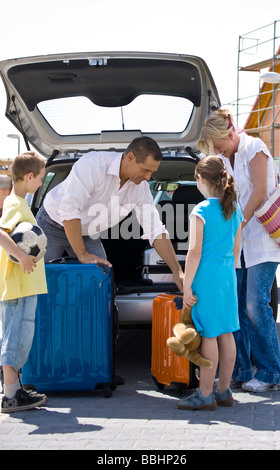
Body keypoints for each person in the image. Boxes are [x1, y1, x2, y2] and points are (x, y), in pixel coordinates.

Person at [198, 108, 280, 393]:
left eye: (218, 144)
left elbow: (260, 190)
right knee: (236, 308)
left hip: (262, 239)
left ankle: (272, 373)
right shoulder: (224, 158)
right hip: (241, 242)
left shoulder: (254, 148)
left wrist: (239, 223)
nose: (217, 150)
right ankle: (242, 371)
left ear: (228, 132)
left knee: (254, 304)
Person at [36, 136, 184, 291]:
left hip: (86, 232)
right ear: (130, 157)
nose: (148, 177)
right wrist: (82, 254)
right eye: (145, 170)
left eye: (151, 172)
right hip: (51, 224)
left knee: (101, 280)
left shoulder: (141, 189)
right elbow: (69, 210)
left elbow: (155, 230)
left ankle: (92, 315)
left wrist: (177, 270)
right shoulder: (92, 165)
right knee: (39, 283)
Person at [177, 156, 242, 411]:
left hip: (206, 279)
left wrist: (187, 284)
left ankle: (204, 394)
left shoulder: (201, 210)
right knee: (226, 333)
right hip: (227, 277)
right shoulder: (235, 210)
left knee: (209, 335)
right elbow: (237, 250)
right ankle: (223, 391)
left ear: (201, 179)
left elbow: (194, 253)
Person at [0, 151, 48, 413]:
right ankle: (10, 396)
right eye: (40, 178)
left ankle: (14, 388)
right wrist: (21, 255)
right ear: (29, 176)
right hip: (18, 287)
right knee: (14, 338)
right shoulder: (15, 204)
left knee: (20, 337)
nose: (41, 183)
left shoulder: (18, 202)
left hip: (24, 287)